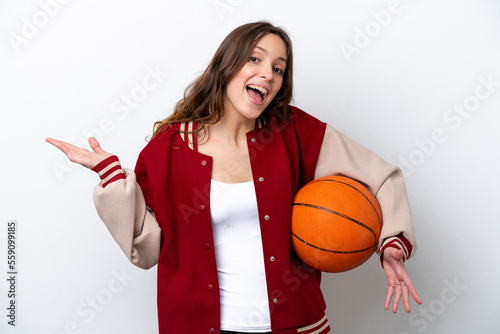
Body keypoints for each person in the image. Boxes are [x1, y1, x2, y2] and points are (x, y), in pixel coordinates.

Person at [47, 21, 421, 334]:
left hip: (297, 325)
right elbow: (146, 248)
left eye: (278, 67)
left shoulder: (294, 131)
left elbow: (381, 176)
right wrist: (111, 175)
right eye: (254, 59)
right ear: (227, 65)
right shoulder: (171, 146)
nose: (267, 73)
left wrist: (392, 242)